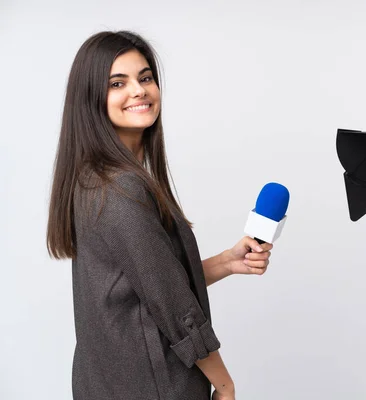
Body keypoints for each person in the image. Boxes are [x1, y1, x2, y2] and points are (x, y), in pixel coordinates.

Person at [46, 30, 273, 400]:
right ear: (91, 98)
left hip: (109, 382)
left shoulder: (94, 178)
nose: (139, 90)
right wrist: (225, 383)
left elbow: (145, 282)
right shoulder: (119, 188)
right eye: (118, 83)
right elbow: (172, 305)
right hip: (152, 385)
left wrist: (228, 262)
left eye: (145, 77)